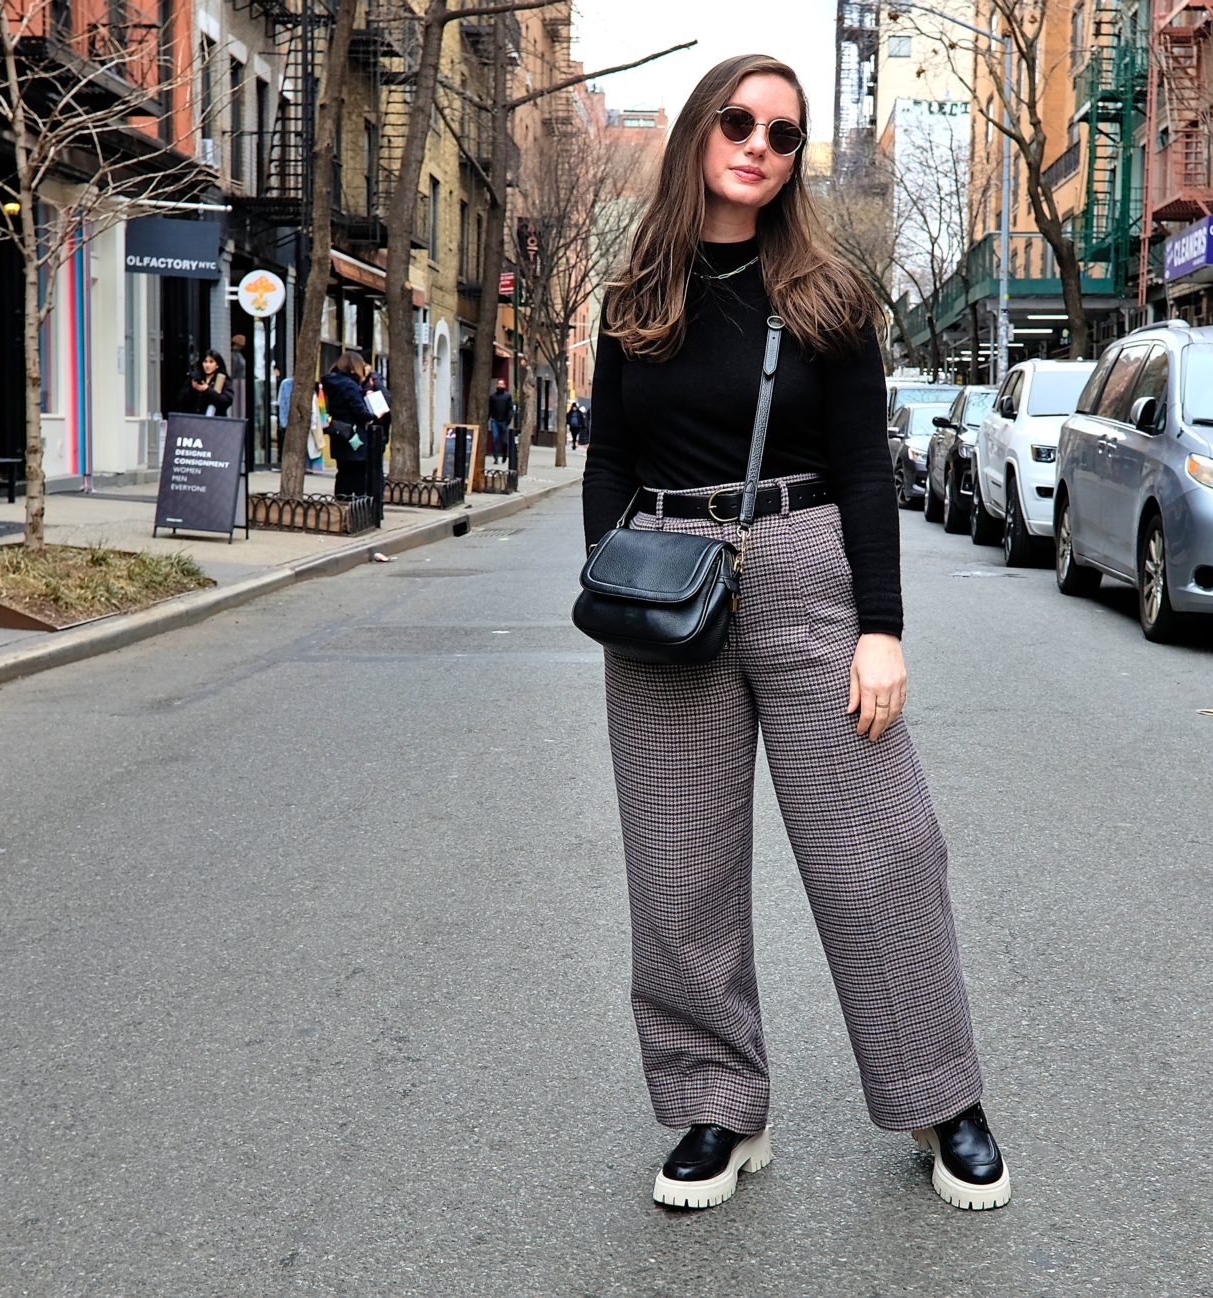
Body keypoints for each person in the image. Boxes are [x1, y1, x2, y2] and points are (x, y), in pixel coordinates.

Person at [580, 54, 1009, 1213]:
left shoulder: (827, 294)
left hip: (805, 569)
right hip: (669, 581)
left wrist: (881, 626)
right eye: (738, 120)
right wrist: (609, 575)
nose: (758, 143)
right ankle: (714, 1104)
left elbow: (869, 468)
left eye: (783, 131)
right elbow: (610, 455)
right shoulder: (636, 294)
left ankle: (939, 1095)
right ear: (697, 133)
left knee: (884, 850)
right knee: (680, 870)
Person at [320, 350, 374, 502]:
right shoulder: (350, 385)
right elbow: (360, 412)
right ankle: (353, 509)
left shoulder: (331, 383)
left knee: (342, 473)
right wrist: (374, 415)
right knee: (356, 475)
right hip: (353, 436)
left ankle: (341, 504)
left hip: (339, 433)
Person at [179, 348, 232, 416]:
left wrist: (207, 390)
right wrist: (193, 389)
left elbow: (226, 401)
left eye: (211, 362)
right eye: (205, 361)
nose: (207, 365)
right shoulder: (196, 378)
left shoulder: (223, 380)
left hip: (216, 420)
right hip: (195, 418)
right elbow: (181, 399)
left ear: (217, 365)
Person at [487, 378, 514, 465]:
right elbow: (490, 409)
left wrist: (509, 419)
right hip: (494, 420)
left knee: (504, 441)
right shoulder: (492, 397)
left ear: (504, 386)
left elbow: (510, 408)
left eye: (502, 384)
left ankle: (504, 454)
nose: (500, 386)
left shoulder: (507, 396)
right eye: (499, 384)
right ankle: (496, 457)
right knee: (495, 438)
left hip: (504, 421)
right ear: (496, 386)